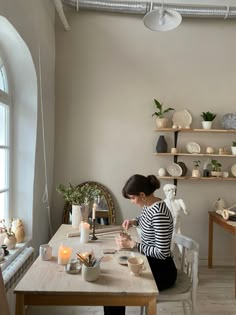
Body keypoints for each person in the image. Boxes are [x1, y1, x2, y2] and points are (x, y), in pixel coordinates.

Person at [104, 174, 177, 315]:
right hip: (150, 262)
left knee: (117, 287)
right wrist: (133, 221)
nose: (131, 201)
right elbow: (144, 218)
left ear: (142, 194)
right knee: (113, 284)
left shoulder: (159, 213)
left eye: (132, 198)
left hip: (162, 270)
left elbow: (162, 253)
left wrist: (133, 244)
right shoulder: (150, 205)